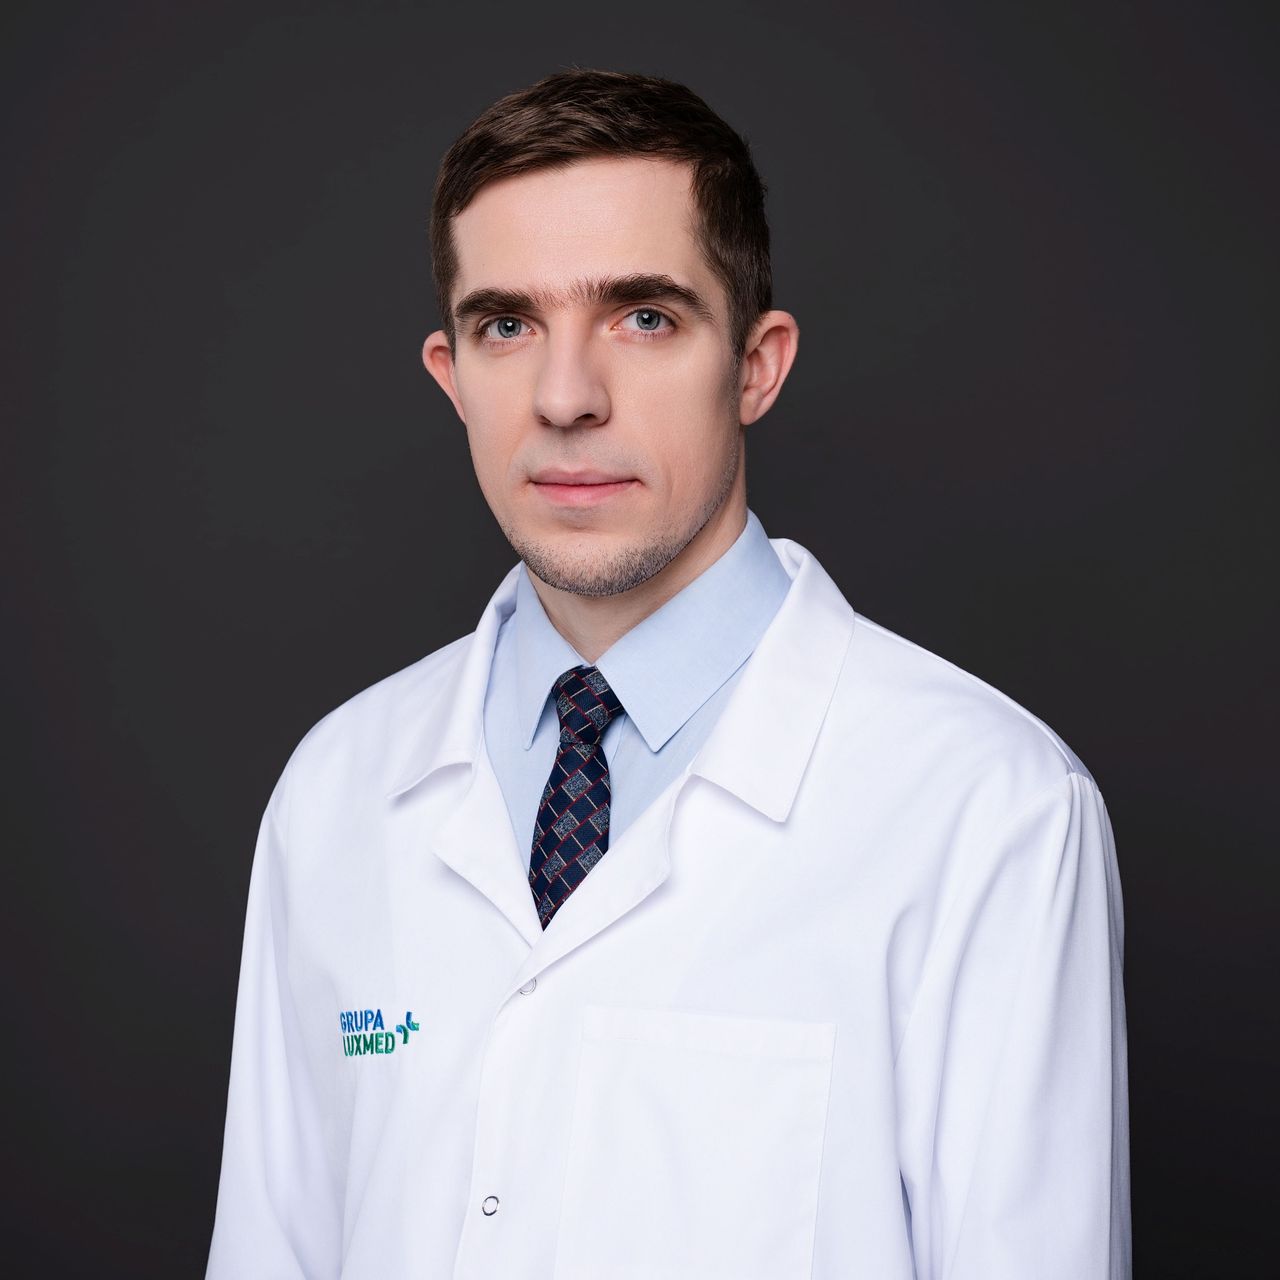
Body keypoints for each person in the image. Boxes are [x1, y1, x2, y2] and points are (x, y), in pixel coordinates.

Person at [206, 68, 1130, 1279]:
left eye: (642, 316)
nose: (565, 397)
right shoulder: (335, 790)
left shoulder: (987, 808)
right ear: (450, 375)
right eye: (506, 324)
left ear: (755, 364)